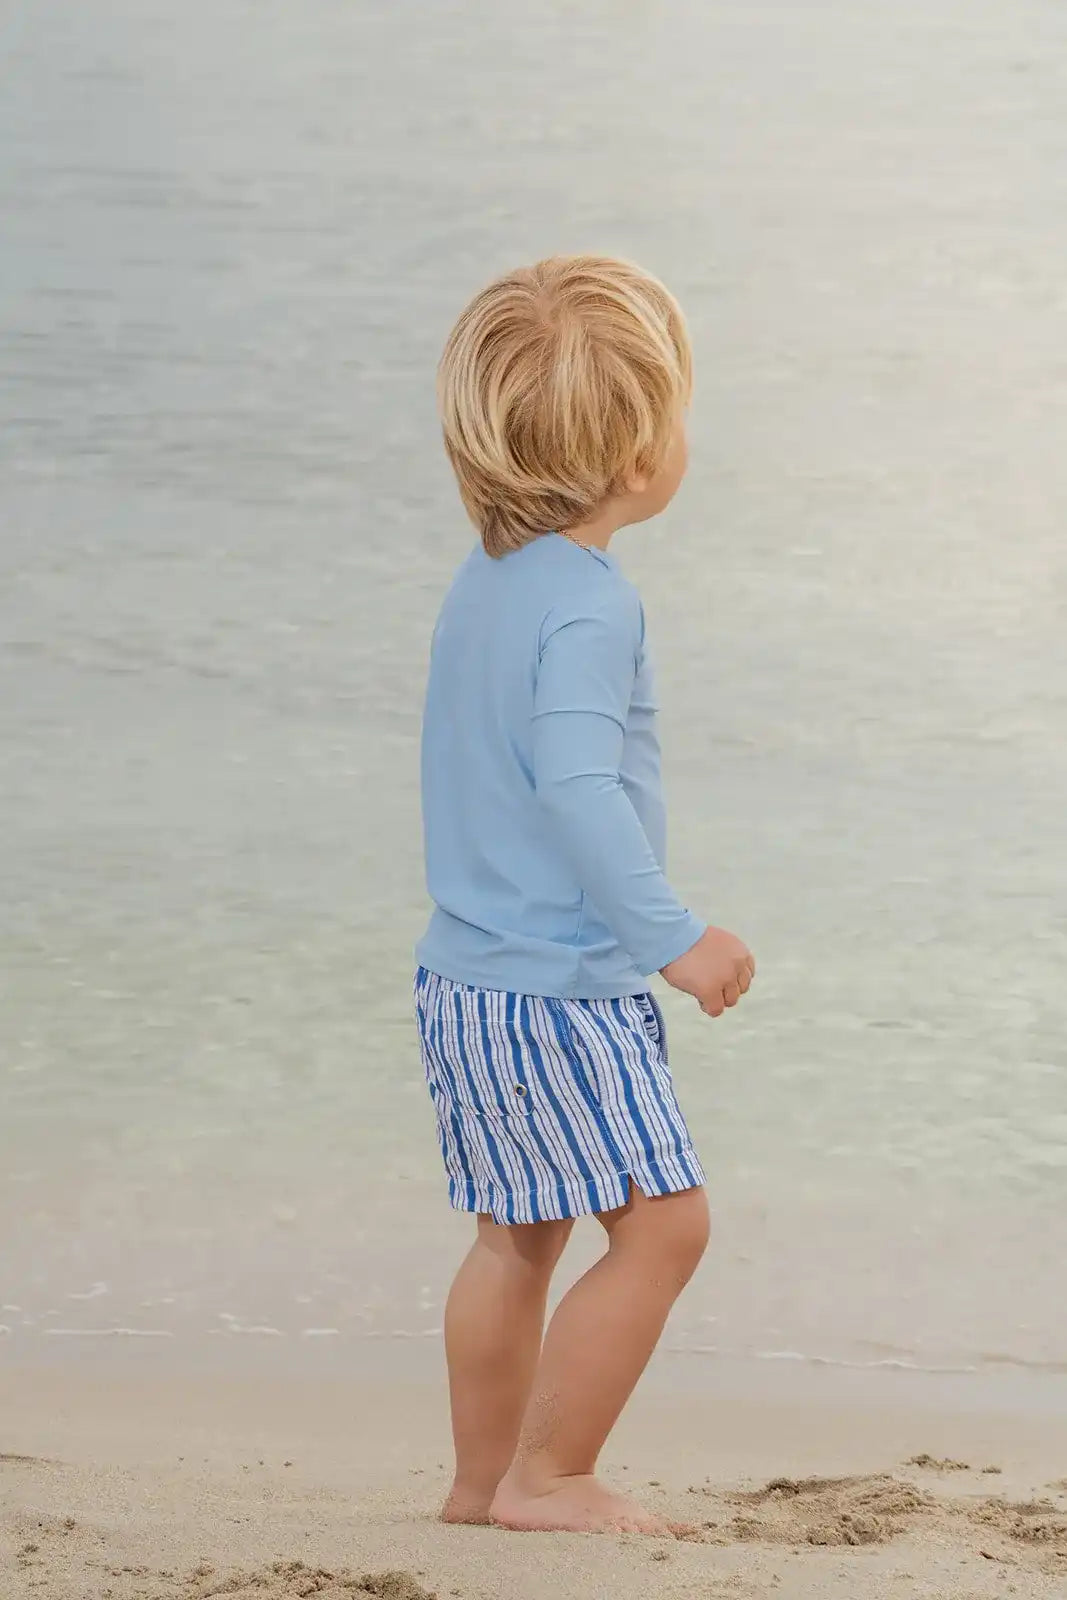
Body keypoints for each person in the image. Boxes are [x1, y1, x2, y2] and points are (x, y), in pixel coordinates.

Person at [414, 255, 754, 1536]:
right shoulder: (592, 606)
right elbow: (573, 787)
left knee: (517, 1232)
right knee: (666, 1227)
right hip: (559, 984)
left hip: (464, 973)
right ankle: (547, 1478)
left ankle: (477, 1480)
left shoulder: (484, 582)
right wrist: (674, 936)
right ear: (632, 460)